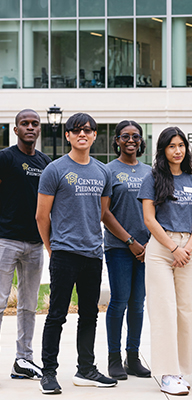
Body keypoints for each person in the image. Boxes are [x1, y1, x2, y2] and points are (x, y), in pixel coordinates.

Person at [36, 113, 117, 394]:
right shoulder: (55, 170)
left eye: (88, 130)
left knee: (89, 314)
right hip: (64, 253)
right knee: (56, 314)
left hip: (93, 254)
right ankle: (48, 373)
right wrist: (52, 248)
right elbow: (41, 216)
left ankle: (86, 369)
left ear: (95, 135)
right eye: (76, 130)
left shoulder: (103, 171)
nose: (83, 134)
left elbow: (102, 212)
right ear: (67, 135)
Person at [138, 126, 192, 396]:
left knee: (184, 311)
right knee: (164, 310)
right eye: (171, 146)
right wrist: (172, 247)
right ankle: (166, 373)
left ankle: (179, 369)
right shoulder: (153, 178)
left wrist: (187, 248)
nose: (177, 150)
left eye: (181, 145)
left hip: (186, 248)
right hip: (160, 248)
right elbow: (148, 218)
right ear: (163, 150)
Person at [0, 109, 51, 380]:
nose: (30, 127)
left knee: (28, 306)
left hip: (34, 244)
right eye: (24, 123)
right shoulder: (5, 158)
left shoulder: (45, 162)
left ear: (39, 129)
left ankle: (24, 361)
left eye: (34, 123)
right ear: (16, 129)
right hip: (5, 241)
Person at [102, 120, 151, 380]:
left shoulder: (150, 172)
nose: (131, 140)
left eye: (135, 136)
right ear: (117, 140)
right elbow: (104, 212)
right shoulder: (108, 170)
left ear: (141, 141)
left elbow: (157, 210)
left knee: (138, 304)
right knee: (119, 302)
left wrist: (149, 244)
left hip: (147, 249)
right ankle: (113, 358)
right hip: (119, 247)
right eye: (125, 136)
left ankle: (133, 358)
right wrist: (130, 242)